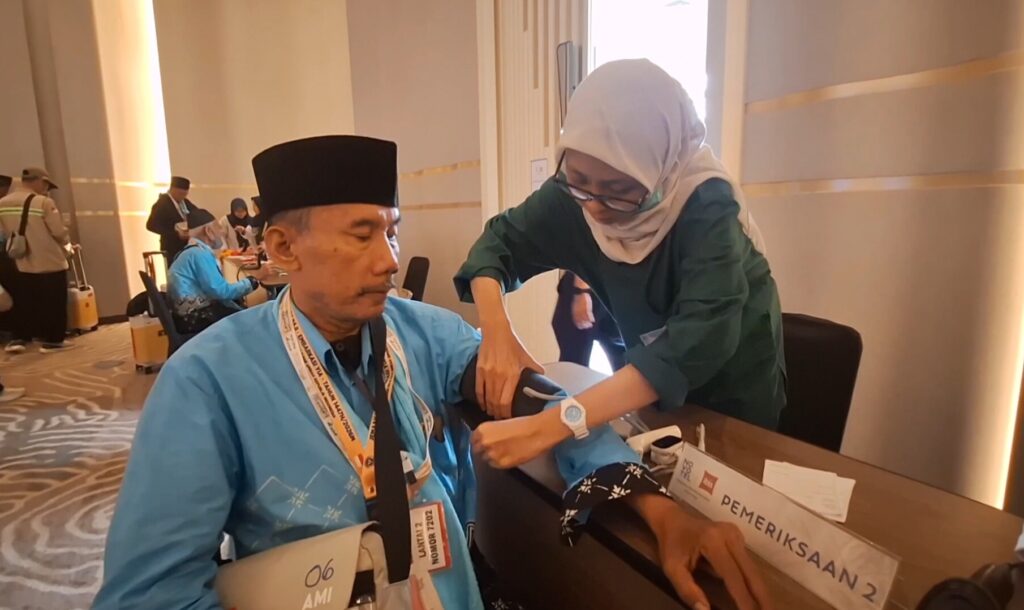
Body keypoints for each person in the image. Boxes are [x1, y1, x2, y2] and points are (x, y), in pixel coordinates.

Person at [93, 135, 772, 610]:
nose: (390, 260)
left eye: (393, 231)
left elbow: (544, 407)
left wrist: (655, 508)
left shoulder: (424, 333)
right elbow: (145, 594)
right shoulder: (209, 380)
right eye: (363, 235)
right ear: (280, 247)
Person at [454, 59, 786, 469]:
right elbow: (497, 245)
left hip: (734, 388)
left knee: (728, 490)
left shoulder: (705, 207)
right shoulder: (570, 196)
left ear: (658, 171)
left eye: (619, 190)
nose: (594, 206)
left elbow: (694, 343)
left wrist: (551, 425)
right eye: (580, 180)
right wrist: (496, 331)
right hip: (646, 388)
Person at [0, 167, 75, 354]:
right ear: (40, 181)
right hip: (49, 260)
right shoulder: (43, 202)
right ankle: (53, 340)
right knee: (54, 301)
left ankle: (20, 338)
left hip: (21, 261)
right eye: (46, 185)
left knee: (25, 301)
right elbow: (58, 232)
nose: (46, 189)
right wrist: (68, 244)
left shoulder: (3, 203)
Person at [167, 207, 269, 334]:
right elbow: (221, 291)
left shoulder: (191, 252)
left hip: (189, 315)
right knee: (257, 322)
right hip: (197, 318)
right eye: (218, 227)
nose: (221, 232)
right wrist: (255, 279)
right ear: (208, 231)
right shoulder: (199, 254)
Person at [552, 271, 626, 370]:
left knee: (631, 369)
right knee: (574, 368)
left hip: (623, 286)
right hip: (592, 283)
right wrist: (581, 291)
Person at [146, 175, 198, 261]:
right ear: (172, 189)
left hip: (186, 246)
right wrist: (175, 232)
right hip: (171, 247)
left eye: (185, 194)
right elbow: (151, 225)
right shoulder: (162, 203)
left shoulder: (185, 202)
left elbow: (197, 214)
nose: (183, 197)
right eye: (181, 194)